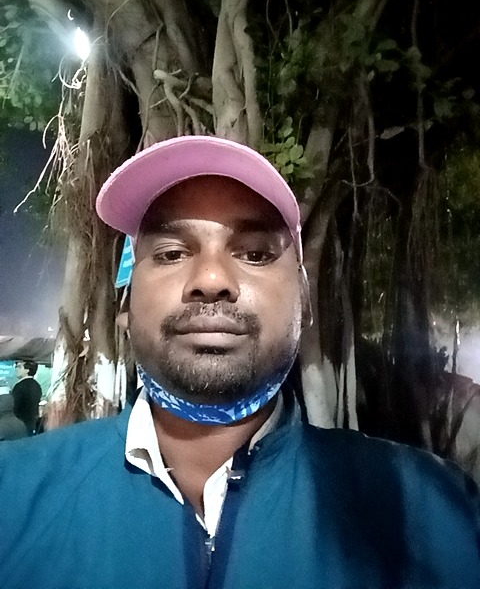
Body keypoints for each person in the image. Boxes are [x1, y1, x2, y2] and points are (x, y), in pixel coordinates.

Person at [0, 136, 479, 589]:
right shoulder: (12, 494)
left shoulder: (436, 512)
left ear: (304, 301)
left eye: (255, 253)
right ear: (124, 306)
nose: (210, 279)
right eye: (171, 253)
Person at [11, 360, 42, 435]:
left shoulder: (19, 387)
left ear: (27, 370)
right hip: (32, 425)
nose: (16, 369)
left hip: (19, 426)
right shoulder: (37, 385)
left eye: (19, 367)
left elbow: (14, 407)